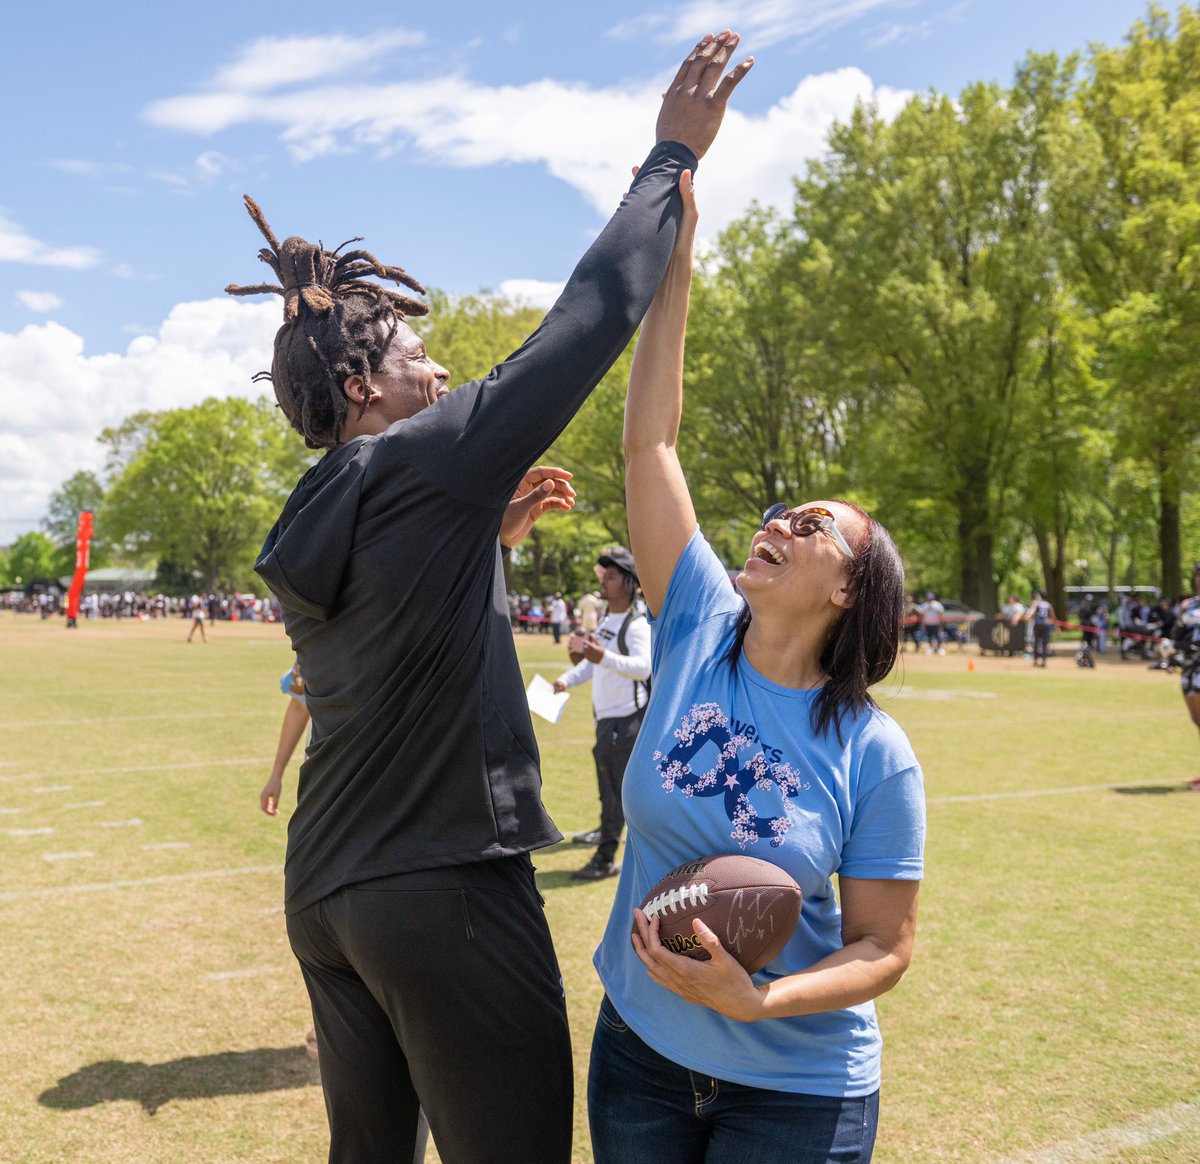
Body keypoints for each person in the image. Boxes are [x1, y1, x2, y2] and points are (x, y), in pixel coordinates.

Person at [225, 32, 750, 1164]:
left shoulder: (316, 506)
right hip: (441, 888)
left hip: (326, 891)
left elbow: (393, 628)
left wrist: (486, 535)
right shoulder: (419, 460)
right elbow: (588, 318)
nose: (443, 369)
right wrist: (669, 158)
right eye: (419, 352)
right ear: (365, 387)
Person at [587, 161, 924, 1164]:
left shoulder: (876, 753)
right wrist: (678, 262)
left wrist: (759, 997)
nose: (778, 522)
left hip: (796, 1088)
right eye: (779, 512)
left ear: (848, 591)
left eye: (811, 526)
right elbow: (651, 444)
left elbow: (884, 947)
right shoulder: (696, 621)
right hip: (639, 1052)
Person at [554, 547, 651, 881]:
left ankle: (605, 858)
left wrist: (601, 658)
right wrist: (565, 680)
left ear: (629, 582)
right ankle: (603, 834)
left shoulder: (636, 625)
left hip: (627, 721)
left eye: (611, 576)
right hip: (606, 720)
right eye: (603, 576)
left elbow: (643, 668)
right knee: (605, 783)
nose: (604, 581)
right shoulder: (609, 620)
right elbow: (592, 664)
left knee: (616, 791)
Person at [1176, 565, 1200, 790]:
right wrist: (1171, 650)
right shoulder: (1188, 605)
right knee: (1196, 719)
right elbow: (1178, 633)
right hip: (1189, 665)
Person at [1024, 590, 1056, 667]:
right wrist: (1056, 627)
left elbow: (1031, 612)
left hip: (1038, 625)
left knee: (1036, 643)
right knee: (1045, 644)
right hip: (1046, 625)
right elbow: (1053, 616)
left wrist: (1028, 616)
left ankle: (1035, 661)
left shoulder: (1036, 603)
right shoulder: (1048, 604)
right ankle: (1044, 661)